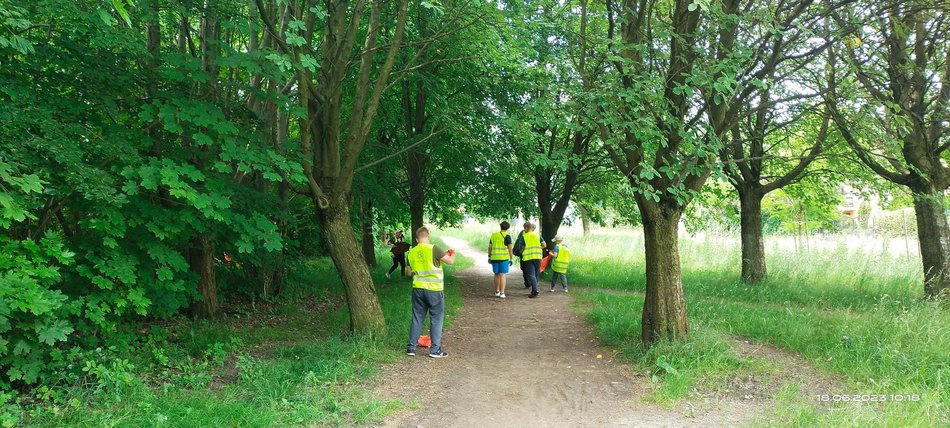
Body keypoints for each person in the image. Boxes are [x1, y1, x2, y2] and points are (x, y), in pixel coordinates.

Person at [406, 227, 456, 358]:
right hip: (434, 290)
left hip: (418, 289)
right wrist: (452, 254)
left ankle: (411, 348)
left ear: (417, 239)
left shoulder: (411, 252)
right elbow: (450, 261)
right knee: (436, 319)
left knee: (417, 318)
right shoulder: (434, 248)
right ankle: (435, 350)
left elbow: (408, 273)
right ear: (428, 236)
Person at [488, 221, 514, 298]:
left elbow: (490, 247)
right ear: (508, 228)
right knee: (502, 274)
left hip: (495, 257)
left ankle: (497, 291)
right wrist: (511, 258)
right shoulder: (507, 236)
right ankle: (502, 293)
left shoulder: (493, 235)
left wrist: (489, 256)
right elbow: (510, 249)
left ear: (500, 226)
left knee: (496, 274)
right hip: (504, 258)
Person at [520, 222, 546, 298]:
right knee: (536, 274)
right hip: (538, 256)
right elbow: (544, 245)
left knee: (531, 274)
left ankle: (535, 291)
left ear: (526, 228)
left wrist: (521, 253)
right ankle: (535, 289)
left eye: (524, 228)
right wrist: (538, 248)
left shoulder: (524, 236)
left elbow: (522, 248)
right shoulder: (538, 235)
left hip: (528, 257)